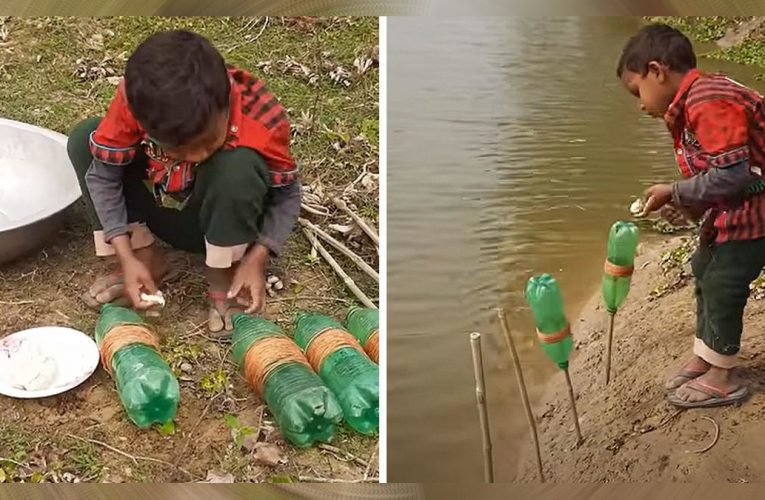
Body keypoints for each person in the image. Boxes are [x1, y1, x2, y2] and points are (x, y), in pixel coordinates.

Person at [66, 30, 300, 337]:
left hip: (223, 222)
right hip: (163, 207)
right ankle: (147, 259)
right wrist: (126, 255)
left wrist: (258, 257)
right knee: (86, 139)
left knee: (236, 166)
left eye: (207, 141)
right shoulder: (138, 102)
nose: (198, 156)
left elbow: (286, 196)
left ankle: (224, 277)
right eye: (178, 149)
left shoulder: (259, 119)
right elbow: (103, 177)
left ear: (224, 104)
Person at [618, 23, 765, 408]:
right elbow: (719, 171)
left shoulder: (707, 99)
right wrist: (688, 202)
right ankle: (707, 354)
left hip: (757, 209)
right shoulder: (692, 104)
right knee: (704, 268)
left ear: (657, 71)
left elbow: (733, 174)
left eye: (637, 91)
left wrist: (677, 191)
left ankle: (723, 376)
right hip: (740, 204)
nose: (639, 104)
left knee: (723, 281)